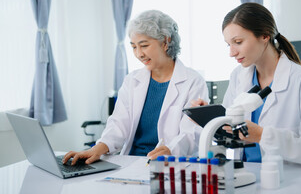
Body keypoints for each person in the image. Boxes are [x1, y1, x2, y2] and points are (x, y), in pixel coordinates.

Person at [192, 3, 301, 168]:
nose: (232, 53)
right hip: (246, 173)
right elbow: (230, 129)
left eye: (238, 42)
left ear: (265, 35)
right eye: (229, 44)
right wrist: (211, 118)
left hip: (287, 178)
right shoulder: (238, 76)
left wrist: (263, 135)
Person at [63, 10, 209, 165]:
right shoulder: (132, 80)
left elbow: (192, 133)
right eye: (133, 47)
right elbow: (119, 123)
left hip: (168, 163)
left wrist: (171, 150)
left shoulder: (193, 81)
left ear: (165, 42)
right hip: (131, 162)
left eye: (144, 45)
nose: (139, 54)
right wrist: (99, 147)